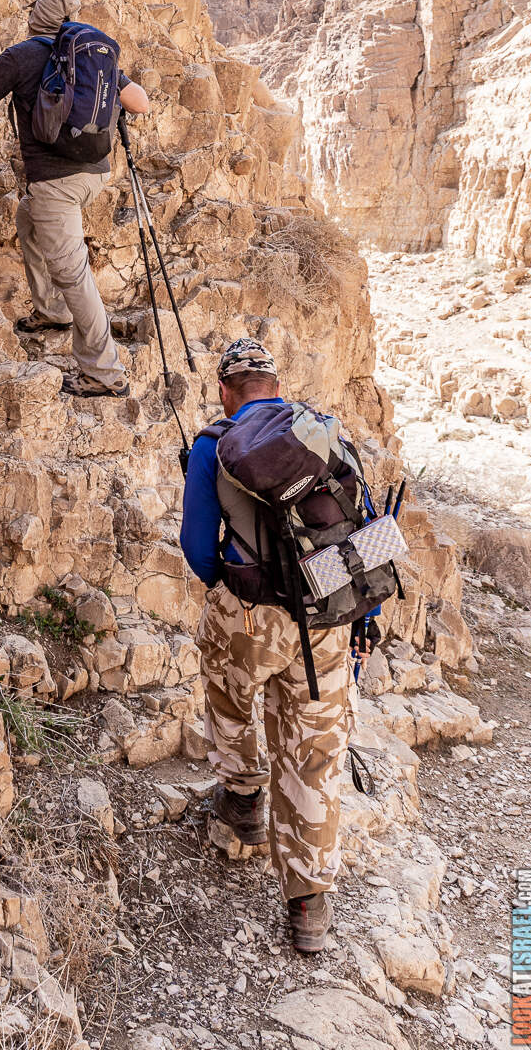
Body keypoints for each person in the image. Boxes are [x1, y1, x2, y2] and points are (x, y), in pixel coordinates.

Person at [180, 338, 353, 954]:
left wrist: (235, 588)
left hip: (251, 615)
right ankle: (308, 907)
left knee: (229, 693)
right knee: (313, 753)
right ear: (277, 385)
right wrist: (362, 616)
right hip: (326, 610)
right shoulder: (323, 431)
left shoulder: (212, 447)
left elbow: (198, 548)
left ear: (227, 392)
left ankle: (244, 800)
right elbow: (357, 533)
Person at [0, 0, 150, 398]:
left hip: (56, 184)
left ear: (34, 19)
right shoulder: (87, 55)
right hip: (94, 173)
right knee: (28, 218)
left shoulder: (20, 56)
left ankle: (104, 373)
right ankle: (52, 312)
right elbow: (140, 103)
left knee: (74, 275)